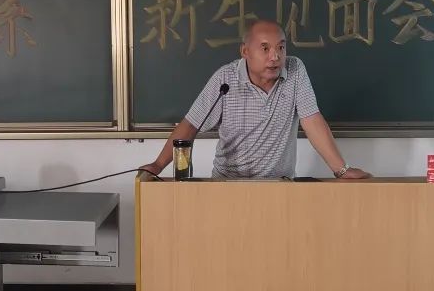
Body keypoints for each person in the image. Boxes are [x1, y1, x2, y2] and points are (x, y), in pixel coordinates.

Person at [140, 19, 371, 180]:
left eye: (281, 47)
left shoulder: (295, 70)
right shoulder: (225, 78)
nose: (275, 56)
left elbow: (312, 120)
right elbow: (191, 124)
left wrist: (341, 170)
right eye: (265, 48)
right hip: (228, 185)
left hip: (279, 186)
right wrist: (158, 165)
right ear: (245, 51)